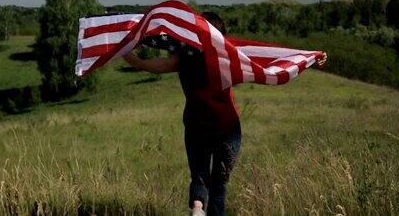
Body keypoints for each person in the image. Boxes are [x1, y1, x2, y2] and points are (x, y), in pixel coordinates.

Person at [123, 12, 327, 216]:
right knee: (219, 187)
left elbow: (144, 65)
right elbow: (272, 59)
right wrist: (311, 58)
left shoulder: (183, 60)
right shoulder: (229, 59)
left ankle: (197, 208)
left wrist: (122, 50)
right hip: (227, 128)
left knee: (200, 177)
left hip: (196, 127)